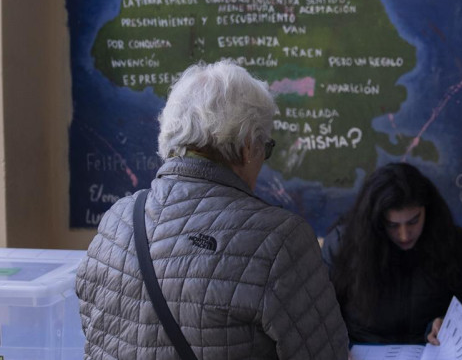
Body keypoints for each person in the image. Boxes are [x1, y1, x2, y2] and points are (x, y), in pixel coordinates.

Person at [76, 61, 349, 360]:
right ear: (247, 147)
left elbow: (93, 333)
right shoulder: (279, 239)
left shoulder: (117, 220)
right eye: (265, 148)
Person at [322, 162, 462, 344]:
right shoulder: (343, 245)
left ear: (427, 209)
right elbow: (320, 317)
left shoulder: (455, 244)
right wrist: (334, 347)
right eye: (393, 225)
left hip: (431, 350)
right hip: (362, 348)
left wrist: (452, 326)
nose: (404, 236)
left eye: (413, 221)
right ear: (376, 221)